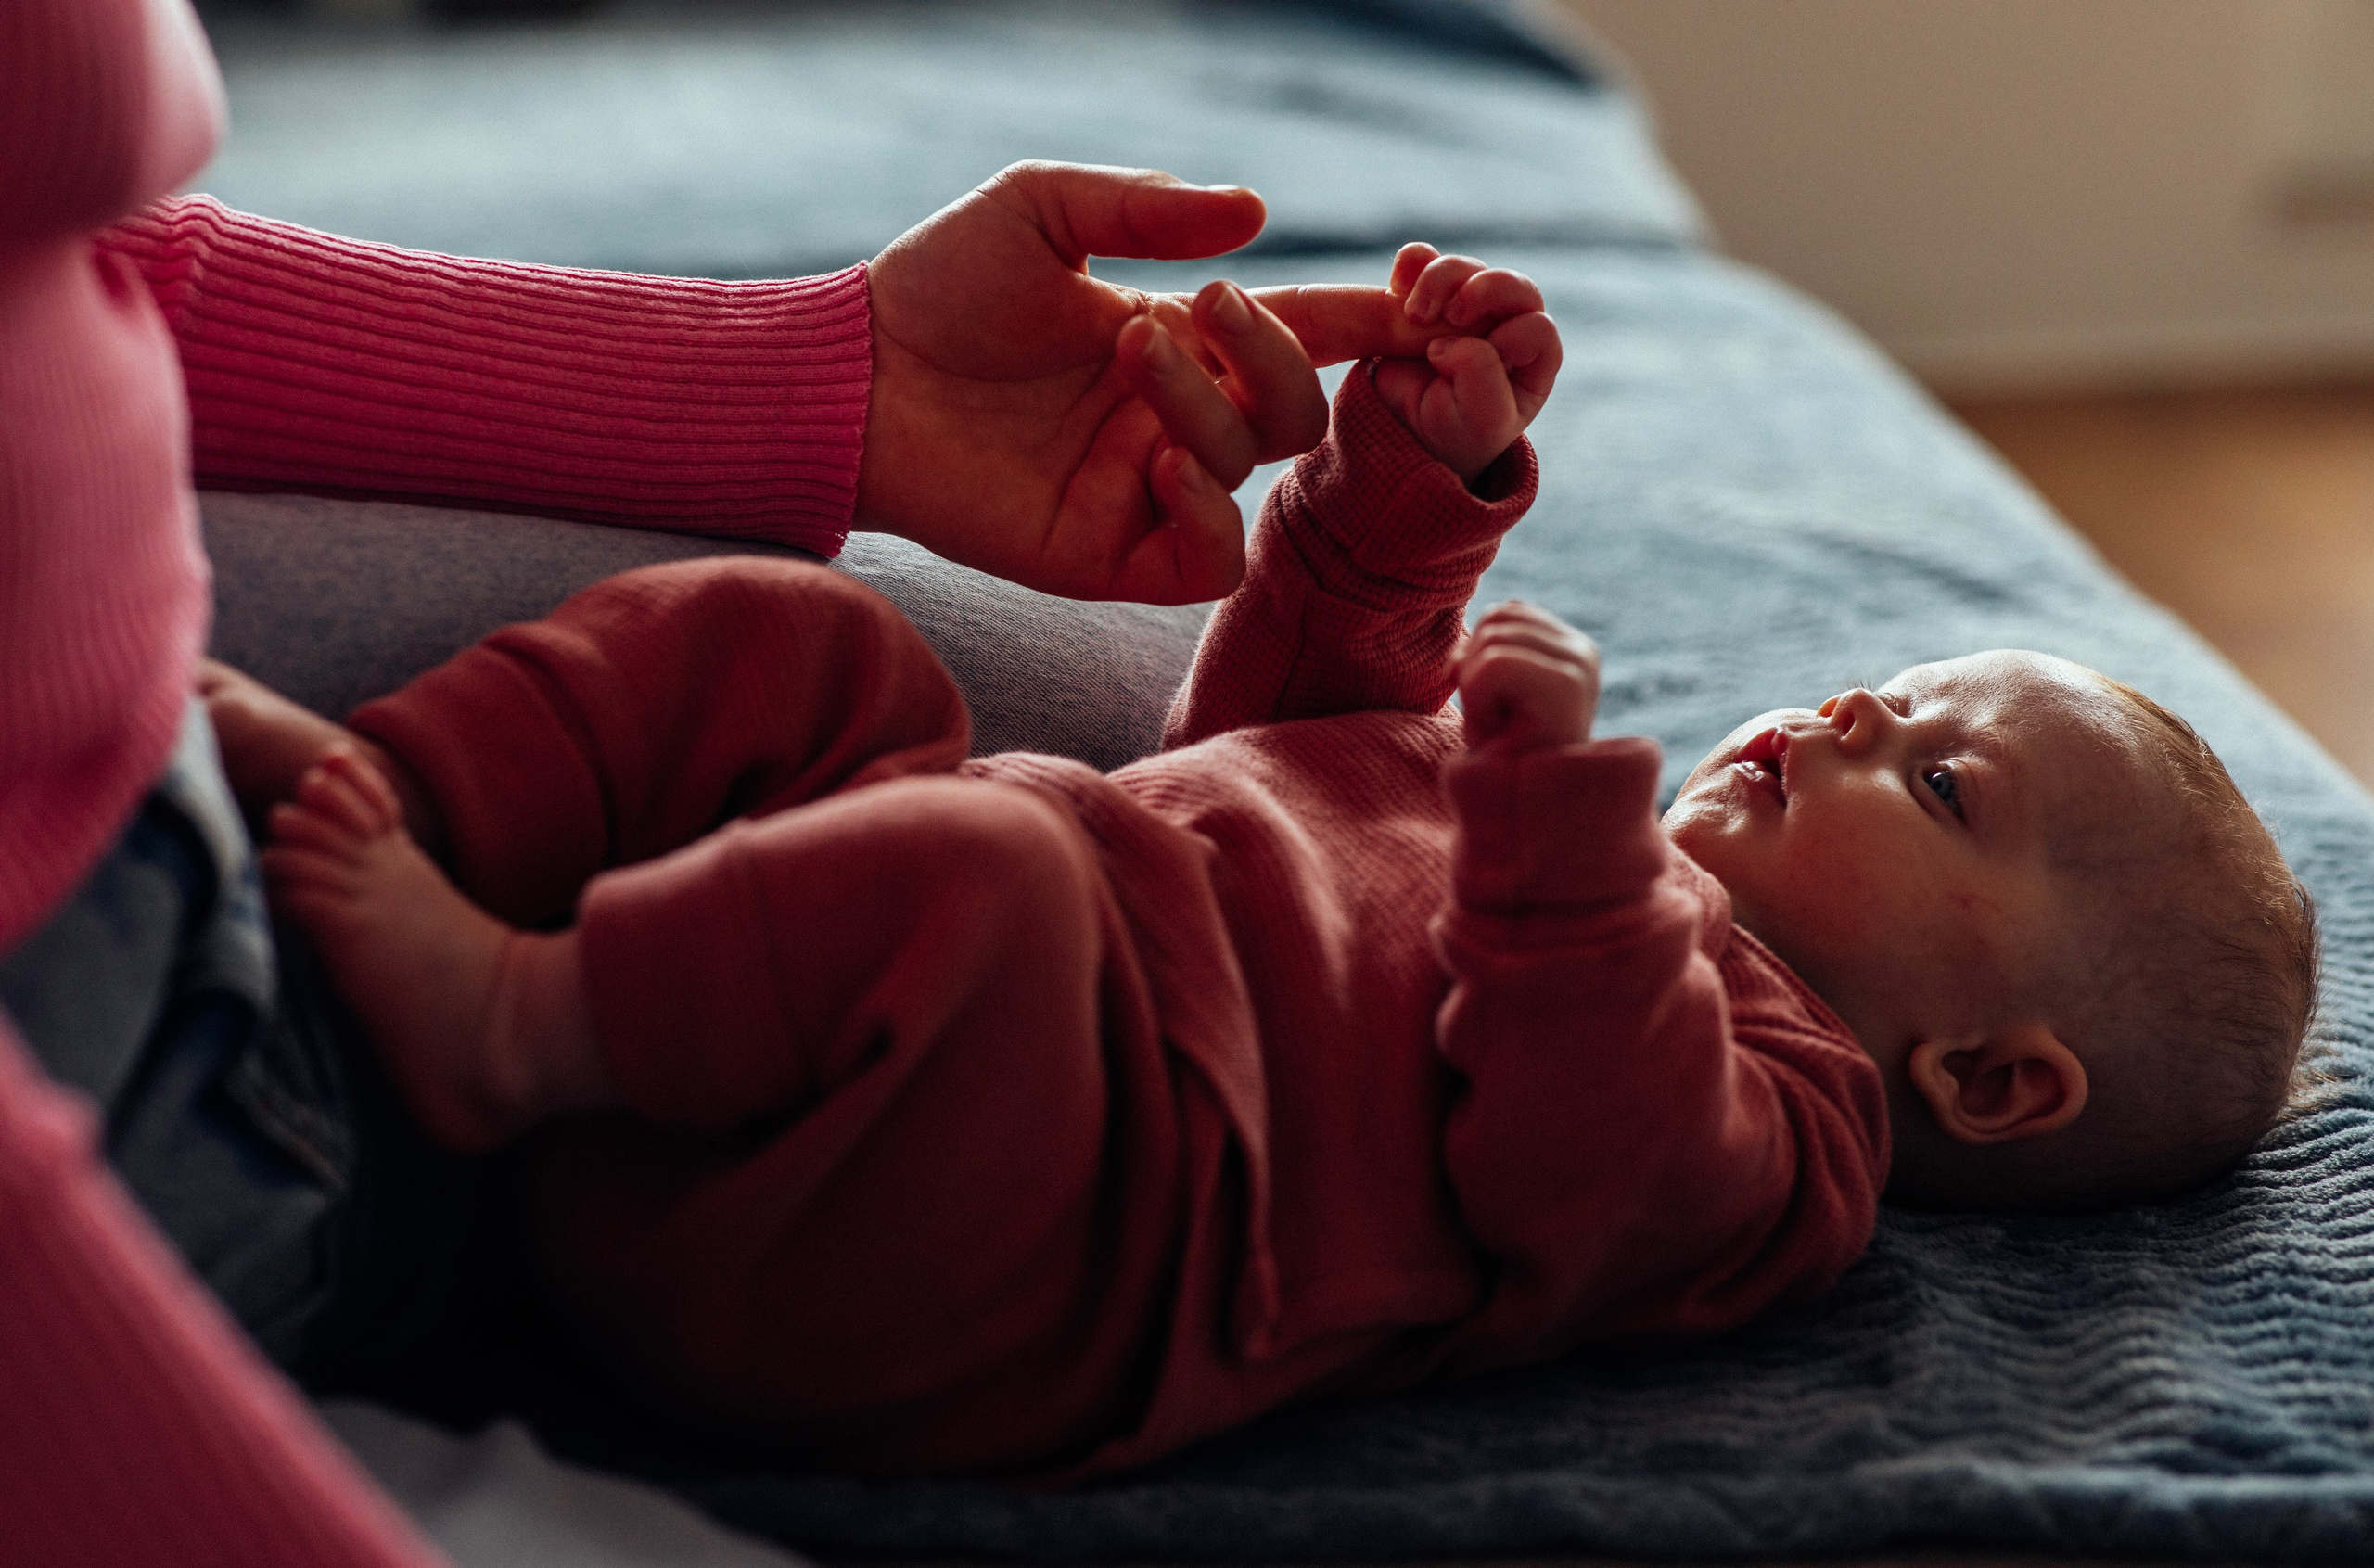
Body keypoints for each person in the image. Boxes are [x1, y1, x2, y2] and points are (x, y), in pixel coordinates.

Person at [206, 245, 2319, 1483]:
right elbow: (1276, 745)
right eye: (1887, 690)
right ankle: (408, 811)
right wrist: (1395, 496)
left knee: (1003, 866)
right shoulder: (1549, 834)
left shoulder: (1783, 1146)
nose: (1847, 718)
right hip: (876, 1028)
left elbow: (1573, 1139)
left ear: (1989, 1077)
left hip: (963, 1248)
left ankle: (506, 1016)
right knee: (801, 641)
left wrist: (1552, 835)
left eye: (1938, 786)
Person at [1, 0, 1456, 1557]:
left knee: (1057, 692)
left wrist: (847, 386)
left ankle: (408, 826)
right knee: (1017, 832)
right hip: (187, 1043)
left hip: (136, 753)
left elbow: (73, 252)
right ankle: (498, 1006)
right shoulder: (1669, 976)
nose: (1764, 736)